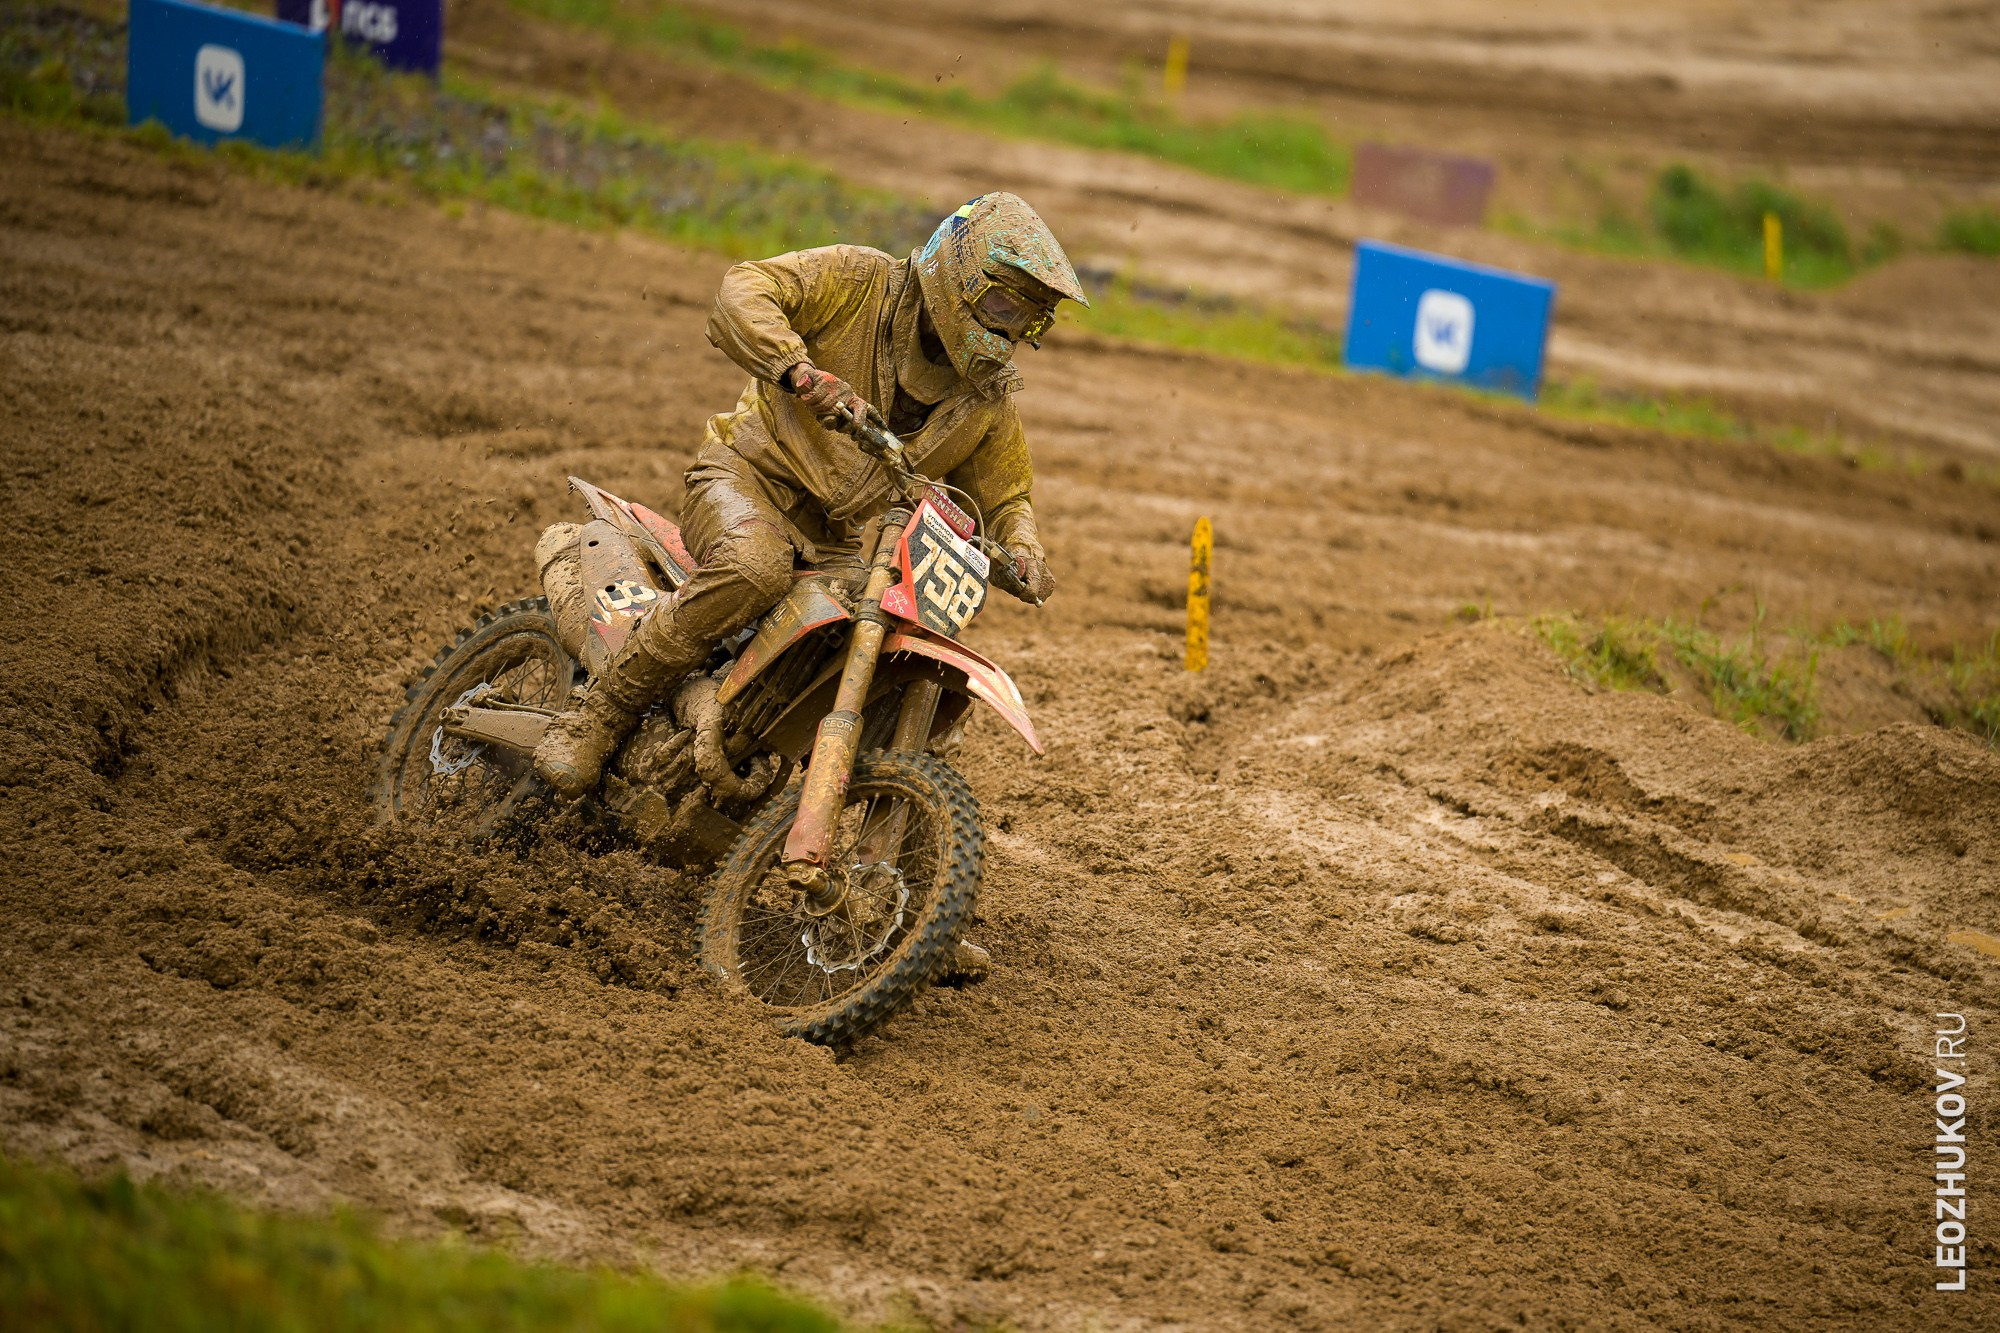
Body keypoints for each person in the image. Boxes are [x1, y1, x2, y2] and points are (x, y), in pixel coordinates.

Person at [531, 192, 1085, 798]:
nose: (1008, 330)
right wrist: (796, 369)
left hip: (834, 538)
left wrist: (1023, 548)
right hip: (744, 477)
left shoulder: (985, 399)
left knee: (858, 643)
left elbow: (1007, 498)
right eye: (1003, 303)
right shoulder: (859, 280)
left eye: (1028, 320)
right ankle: (602, 712)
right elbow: (744, 289)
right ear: (958, 273)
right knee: (753, 568)